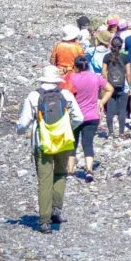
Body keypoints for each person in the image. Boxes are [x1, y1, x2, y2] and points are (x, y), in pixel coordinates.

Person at [16, 66, 84, 233]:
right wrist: (66, 128)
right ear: (57, 80)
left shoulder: (34, 96)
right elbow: (79, 117)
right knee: (60, 175)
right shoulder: (65, 94)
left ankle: (44, 220)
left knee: (44, 181)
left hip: (42, 143)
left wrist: (19, 130)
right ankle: (56, 209)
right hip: (63, 142)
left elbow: (24, 123)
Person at [69, 55, 113, 182]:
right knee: (88, 143)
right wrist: (101, 103)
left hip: (74, 116)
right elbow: (110, 89)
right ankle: (89, 170)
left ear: (75, 66)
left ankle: (70, 171)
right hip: (92, 115)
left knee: (72, 143)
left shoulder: (71, 78)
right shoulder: (95, 77)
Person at [102, 36, 131, 138]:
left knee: (110, 109)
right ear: (121, 45)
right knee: (122, 110)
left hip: (110, 86)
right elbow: (128, 73)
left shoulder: (107, 57)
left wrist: (106, 85)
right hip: (122, 86)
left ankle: (110, 131)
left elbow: (103, 72)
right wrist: (130, 85)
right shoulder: (125, 57)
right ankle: (121, 132)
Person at [50, 25, 84, 91]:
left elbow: (52, 61)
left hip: (60, 72)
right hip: (73, 73)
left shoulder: (58, 45)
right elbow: (82, 62)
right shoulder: (78, 47)